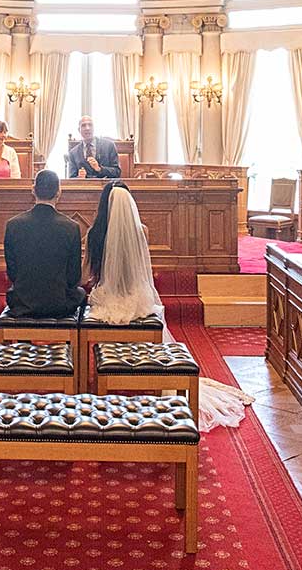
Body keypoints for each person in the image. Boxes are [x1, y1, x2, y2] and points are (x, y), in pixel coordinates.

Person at [85, 181, 254, 433]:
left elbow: (87, 275)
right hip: (137, 298)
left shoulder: (94, 234)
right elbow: (144, 273)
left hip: (107, 300)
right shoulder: (141, 230)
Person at [3, 170, 87, 318]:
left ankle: (22, 341)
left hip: (23, 303)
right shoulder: (71, 227)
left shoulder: (13, 225)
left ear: (33, 190)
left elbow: (13, 273)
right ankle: (70, 341)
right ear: (59, 193)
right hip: (60, 303)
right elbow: (74, 277)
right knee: (80, 294)